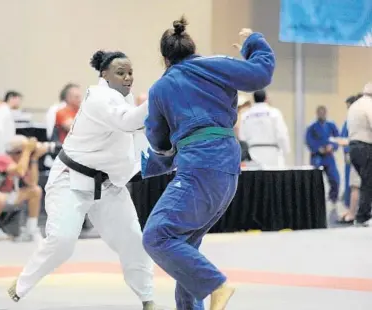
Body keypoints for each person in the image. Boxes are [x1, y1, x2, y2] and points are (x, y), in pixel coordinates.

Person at [141, 18, 275, 310]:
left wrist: (147, 164)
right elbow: (261, 74)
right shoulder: (216, 65)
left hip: (200, 163)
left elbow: (159, 142)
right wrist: (254, 42)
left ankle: (217, 284)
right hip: (228, 162)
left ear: (164, 58)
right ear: (192, 49)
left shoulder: (161, 88)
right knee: (184, 246)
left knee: (156, 236)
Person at [8, 50, 156, 309]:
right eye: (120, 72)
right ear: (104, 75)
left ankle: (148, 300)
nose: (127, 77)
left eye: (130, 72)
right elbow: (128, 122)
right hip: (72, 180)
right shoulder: (99, 97)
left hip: (109, 185)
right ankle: (21, 284)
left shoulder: (123, 97)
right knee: (62, 242)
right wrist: (161, 95)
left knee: (133, 240)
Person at [0, 135, 47, 244]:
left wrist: (34, 159)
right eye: (25, 152)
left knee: (35, 191)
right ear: (16, 152)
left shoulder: (20, 163)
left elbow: (32, 183)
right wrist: (27, 150)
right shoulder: (1, 159)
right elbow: (19, 171)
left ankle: (32, 229)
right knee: (0, 198)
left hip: (3, 200)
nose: (28, 155)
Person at [305, 106, 340, 220]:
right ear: (316, 113)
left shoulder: (331, 125)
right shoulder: (312, 127)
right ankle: (315, 201)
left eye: (323, 112)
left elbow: (337, 138)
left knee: (335, 179)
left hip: (329, 157)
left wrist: (332, 146)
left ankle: (333, 199)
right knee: (315, 179)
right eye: (319, 112)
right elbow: (308, 140)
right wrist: (318, 149)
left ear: (326, 113)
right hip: (317, 157)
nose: (321, 114)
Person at [239, 90, 290, 168]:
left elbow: (242, 137)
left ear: (254, 99)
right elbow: (281, 134)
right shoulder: (274, 113)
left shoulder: (245, 115)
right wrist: (285, 150)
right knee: (273, 178)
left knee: (256, 179)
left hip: (253, 153)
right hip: (272, 153)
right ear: (266, 98)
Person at [347, 82, 372, 227]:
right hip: (366, 146)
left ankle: (362, 215)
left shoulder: (356, 105)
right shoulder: (369, 105)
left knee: (365, 182)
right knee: (368, 183)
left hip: (354, 147)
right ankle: (363, 216)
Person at [338, 94, 362, 224]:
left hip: (356, 153)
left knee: (355, 186)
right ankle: (352, 211)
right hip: (355, 153)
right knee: (353, 184)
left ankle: (353, 213)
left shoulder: (355, 120)